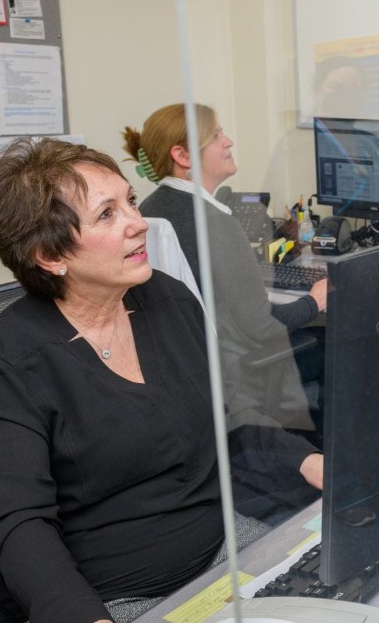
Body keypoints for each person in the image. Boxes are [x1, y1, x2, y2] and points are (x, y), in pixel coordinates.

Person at [0, 139, 323, 623]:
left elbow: (228, 420)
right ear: (51, 256)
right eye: (108, 214)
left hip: (220, 549)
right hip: (110, 597)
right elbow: (17, 519)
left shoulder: (166, 300)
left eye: (130, 202)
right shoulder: (6, 360)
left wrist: (311, 463)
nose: (138, 224)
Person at [124, 104, 326, 513]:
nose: (228, 141)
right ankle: (327, 477)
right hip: (235, 374)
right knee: (328, 344)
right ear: (182, 156)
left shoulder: (150, 209)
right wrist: (314, 300)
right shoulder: (216, 222)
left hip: (190, 370)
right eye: (216, 135)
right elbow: (262, 325)